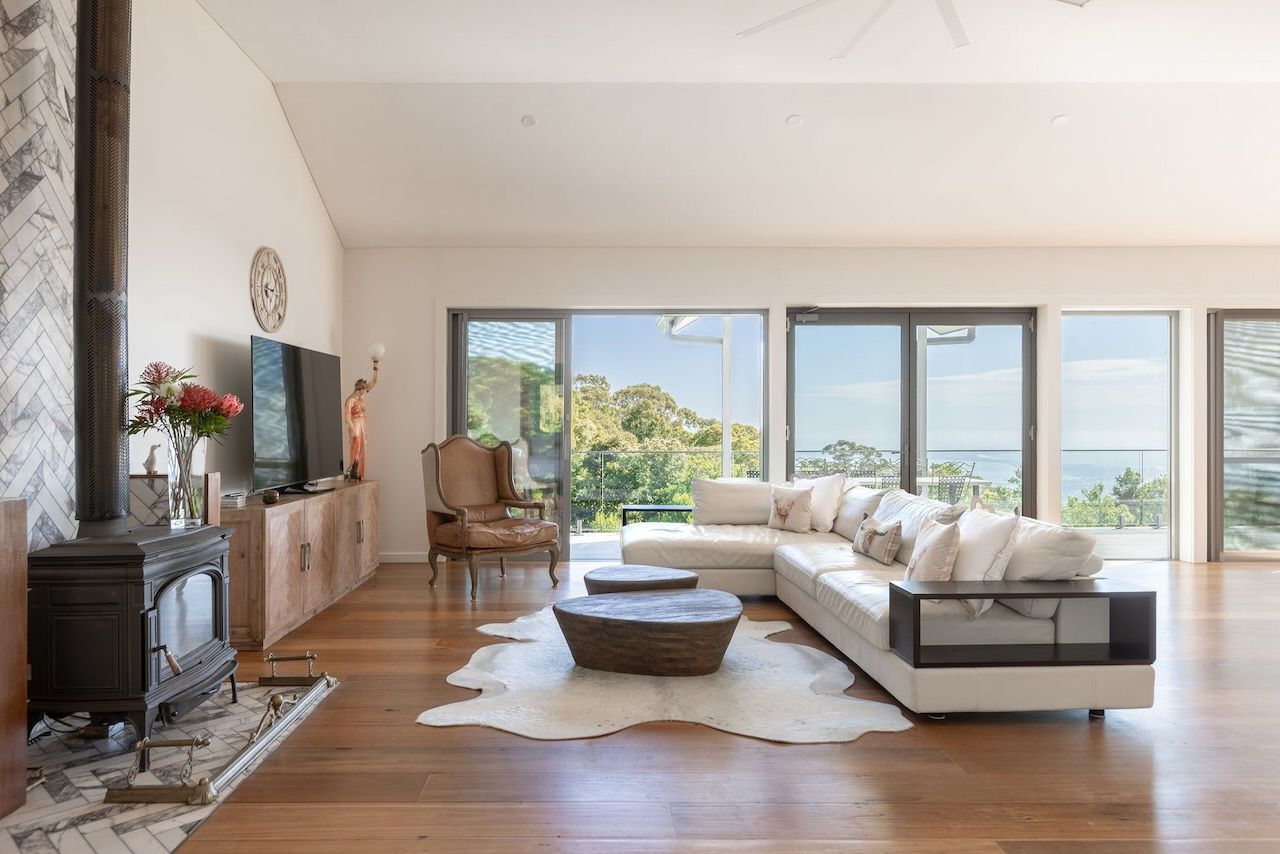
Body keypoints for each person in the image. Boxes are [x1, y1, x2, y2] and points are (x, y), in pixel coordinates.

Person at [343, 359, 380, 480]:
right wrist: (353, 429)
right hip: (355, 423)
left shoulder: (361, 396)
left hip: (363, 423)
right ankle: (352, 467)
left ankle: (359, 471)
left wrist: (376, 366)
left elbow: (374, 381)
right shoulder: (351, 400)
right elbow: (347, 416)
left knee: (362, 445)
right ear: (359, 389)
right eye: (363, 390)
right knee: (356, 445)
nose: (365, 391)